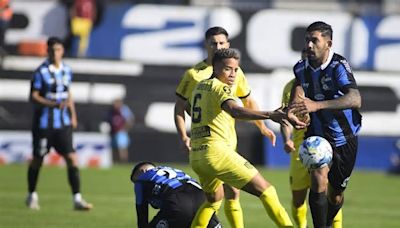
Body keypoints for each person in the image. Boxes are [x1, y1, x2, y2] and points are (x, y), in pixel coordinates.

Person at [175, 26, 276, 228]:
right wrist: (185, 135)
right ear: (207, 45)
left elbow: (247, 100)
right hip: (211, 144)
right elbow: (180, 107)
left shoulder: (233, 70)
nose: (218, 46)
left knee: (229, 193)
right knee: (220, 196)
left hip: (228, 140)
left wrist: (262, 127)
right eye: (214, 43)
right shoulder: (194, 74)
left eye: (222, 43)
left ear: (228, 44)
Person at [188, 48, 297, 228]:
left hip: (197, 155)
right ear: (215, 68)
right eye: (227, 69)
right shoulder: (219, 87)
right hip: (216, 153)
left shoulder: (199, 86)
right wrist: (269, 115)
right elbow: (235, 110)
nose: (233, 74)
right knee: (267, 191)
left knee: (213, 201)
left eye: (235, 69)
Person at [287, 21, 362, 228]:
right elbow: (299, 86)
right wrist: (293, 108)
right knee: (318, 179)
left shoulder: (338, 66)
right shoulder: (301, 67)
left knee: (336, 195)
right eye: (307, 40)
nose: (309, 45)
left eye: (314, 40)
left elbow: (355, 99)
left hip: (344, 138)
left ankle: (328, 223)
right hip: (318, 136)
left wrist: (316, 105)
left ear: (328, 43)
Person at [26, 37, 93, 211]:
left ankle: (77, 198)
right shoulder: (40, 72)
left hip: (63, 124)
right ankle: (32, 194)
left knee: (72, 158)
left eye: (58, 49)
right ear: (47, 51)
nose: (55, 53)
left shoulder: (67, 71)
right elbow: (33, 96)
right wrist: (52, 104)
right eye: (51, 50)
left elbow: (68, 93)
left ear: (62, 51)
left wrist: (73, 115)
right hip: (44, 124)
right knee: (38, 160)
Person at [280, 79, 342, 228]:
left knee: (330, 194)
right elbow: (286, 118)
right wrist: (287, 139)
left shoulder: (327, 81)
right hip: (300, 151)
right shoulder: (290, 87)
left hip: (323, 149)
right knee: (298, 199)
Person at [130, 161, 222, 228]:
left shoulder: (141, 180)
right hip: (202, 198)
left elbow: (142, 212)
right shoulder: (174, 170)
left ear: (143, 171)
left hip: (178, 202)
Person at [108, 98, 134, 163]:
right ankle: (116, 161)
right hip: (114, 131)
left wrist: (124, 128)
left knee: (122, 147)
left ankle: (123, 161)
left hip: (121, 131)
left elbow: (129, 120)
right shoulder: (113, 111)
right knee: (115, 146)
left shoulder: (124, 110)